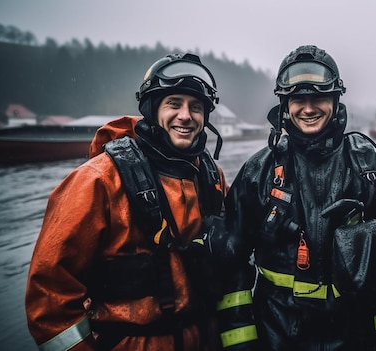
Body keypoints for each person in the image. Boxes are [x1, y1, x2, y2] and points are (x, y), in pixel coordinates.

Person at [26, 53, 235, 350]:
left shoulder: (213, 178)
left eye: (196, 107)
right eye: (173, 104)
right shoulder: (97, 181)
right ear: (152, 109)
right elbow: (50, 299)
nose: (186, 116)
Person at [222, 44, 376, 350]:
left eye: (319, 98)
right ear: (284, 106)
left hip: (356, 340)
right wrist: (241, 340)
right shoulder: (258, 171)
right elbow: (232, 265)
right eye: (298, 99)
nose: (309, 109)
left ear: (335, 101)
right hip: (277, 339)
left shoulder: (370, 169)